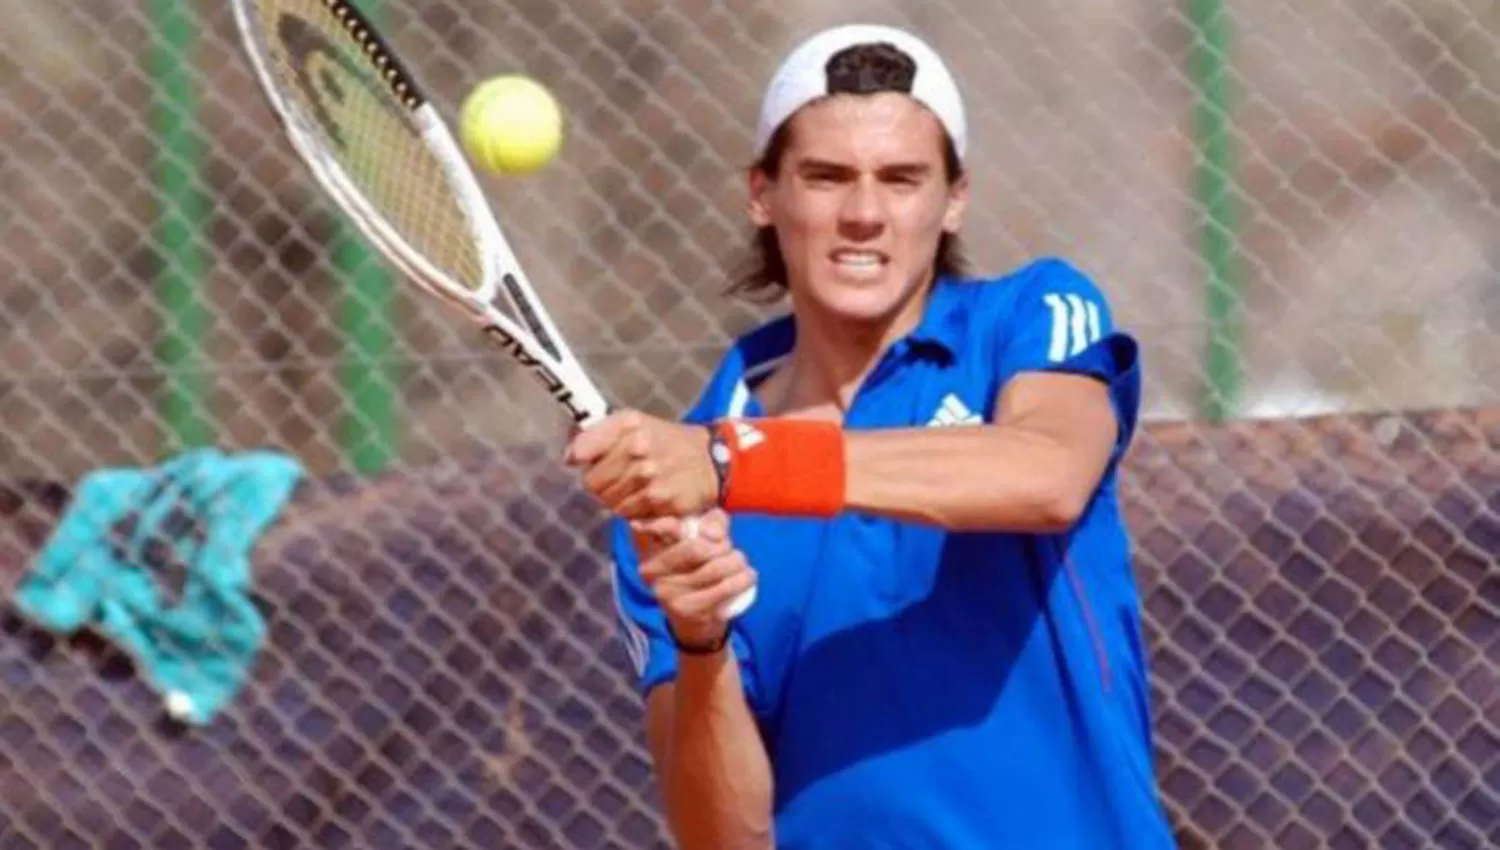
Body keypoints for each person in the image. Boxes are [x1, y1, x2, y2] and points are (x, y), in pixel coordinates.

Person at [565, 22, 1178, 850]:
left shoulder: (1029, 316)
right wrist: (701, 639)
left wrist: (735, 462)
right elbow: (723, 838)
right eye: (825, 177)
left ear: (953, 199)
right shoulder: (676, 500)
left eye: (901, 179)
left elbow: (1049, 476)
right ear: (762, 195)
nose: (863, 215)